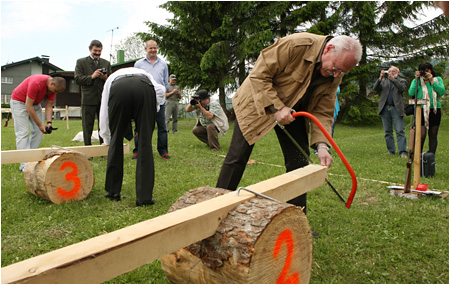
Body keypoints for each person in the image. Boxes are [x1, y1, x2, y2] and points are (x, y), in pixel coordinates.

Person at [216, 33, 362, 216]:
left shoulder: (335, 73)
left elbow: (324, 111)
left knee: (299, 163)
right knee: (237, 157)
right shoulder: (296, 45)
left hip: (293, 112)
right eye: (336, 68)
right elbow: (259, 75)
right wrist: (277, 109)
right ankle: (215, 211)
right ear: (329, 49)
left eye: (342, 72)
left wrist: (322, 145)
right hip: (258, 102)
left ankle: (296, 218)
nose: (337, 74)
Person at [99, 67, 165, 206]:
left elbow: (104, 111)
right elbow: (160, 91)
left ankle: (113, 191)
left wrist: (107, 137)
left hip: (119, 89)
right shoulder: (146, 74)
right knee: (145, 142)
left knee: (116, 140)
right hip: (144, 87)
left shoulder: (110, 80)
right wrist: (153, 108)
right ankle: (144, 198)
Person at [10, 75, 66, 171]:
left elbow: (49, 105)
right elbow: (28, 106)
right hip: (19, 102)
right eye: (56, 91)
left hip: (35, 104)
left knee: (39, 131)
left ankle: (31, 159)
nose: (55, 93)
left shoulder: (53, 87)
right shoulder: (36, 83)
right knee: (23, 133)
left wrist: (48, 123)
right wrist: (40, 124)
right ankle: (24, 165)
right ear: (52, 84)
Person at [134, 40, 170, 160]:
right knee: (140, 127)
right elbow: (135, 80)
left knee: (162, 128)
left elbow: (165, 82)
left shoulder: (163, 64)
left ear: (157, 48)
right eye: (150, 48)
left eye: (155, 48)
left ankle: (163, 151)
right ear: (145, 49)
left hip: (159, 101)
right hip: (143, 100)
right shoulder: (138, 64)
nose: (153, 50)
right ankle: (138, 151)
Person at [75, 40, 111, 147]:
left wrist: (105, 78)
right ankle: (88, 148)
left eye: (99, 51)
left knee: (103, 125)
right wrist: (92, 76)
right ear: (90, 49)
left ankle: (103, 147)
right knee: (87, 126)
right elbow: (77, 79)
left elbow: (111, 80)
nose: (97, 53)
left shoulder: (106, 63)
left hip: (102, 100)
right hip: (88, 99)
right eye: (95, 50)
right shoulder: (81, 62)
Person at [408, 62, 446, 155]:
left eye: (427, 71)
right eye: (422, 71)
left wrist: (431, 81)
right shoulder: (416, 81)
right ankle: (418, 156)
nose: (424, 73)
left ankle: (431, 157)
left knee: (433, 134)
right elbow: (411, 92)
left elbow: (441, 92)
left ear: (431, 71)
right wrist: (416, 79)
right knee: (421, 134)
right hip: (420, 109)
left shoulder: (437, 80)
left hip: (434, 109)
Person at [374, 66, 408, 158]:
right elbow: (375, 88)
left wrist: (393, 79)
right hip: (385, 108)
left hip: (396, 108)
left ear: (398, 72)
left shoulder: (402, 80)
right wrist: (380, 78)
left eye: (393, 71)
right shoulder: (384, 81)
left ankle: (403, 152)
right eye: (389, 71)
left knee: (400, 130)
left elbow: (401, 89)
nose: (391, 73)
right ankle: (391, 150)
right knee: (388, 131)